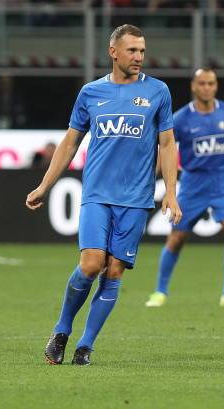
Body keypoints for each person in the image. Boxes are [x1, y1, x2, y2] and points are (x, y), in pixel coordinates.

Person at [25, 24, 181, 366]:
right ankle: (62, 329)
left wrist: (170, 192)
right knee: (92, 264)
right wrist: (45, 185)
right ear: (114, 52)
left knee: (113, 272)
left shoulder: (158, 92)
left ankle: (86, 345)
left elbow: (167, 143)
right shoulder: (91, 93)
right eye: (132, 50)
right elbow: (70, 143)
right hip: (97, 194)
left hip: (137, 199)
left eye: (142, 50)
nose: (139, 57)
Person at [145, 68, 224, 308]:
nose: (206, 88)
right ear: (194, 86)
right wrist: (152, 179)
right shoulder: (181, 118)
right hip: (194, 183)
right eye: (202, 83)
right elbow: (167, 149)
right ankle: (160, 291)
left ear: (216, 86)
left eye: (211, 83)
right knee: (177, 238)